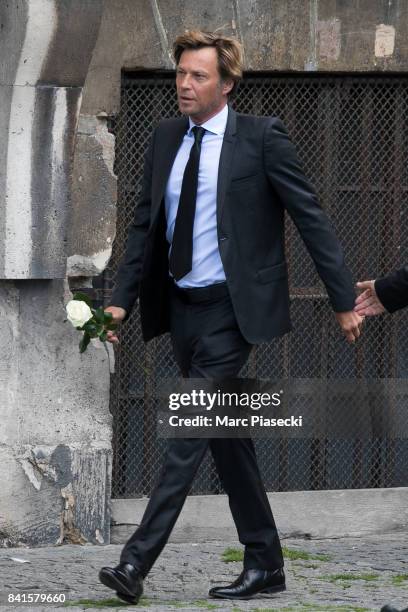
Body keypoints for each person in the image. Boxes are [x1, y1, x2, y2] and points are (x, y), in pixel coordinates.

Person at [98, 30, 363, 604]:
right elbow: (145, 226)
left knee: (190, 426)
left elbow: (310, 216)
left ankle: (134, 562)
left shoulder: (262, 138)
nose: (184, 85)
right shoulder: (167, 136)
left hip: (232, 311)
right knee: (226, 436)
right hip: (181, 308)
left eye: (198, 76)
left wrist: (342, 298)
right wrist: (120, 299)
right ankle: (266, 563)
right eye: (180, 74)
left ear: (227, 83)